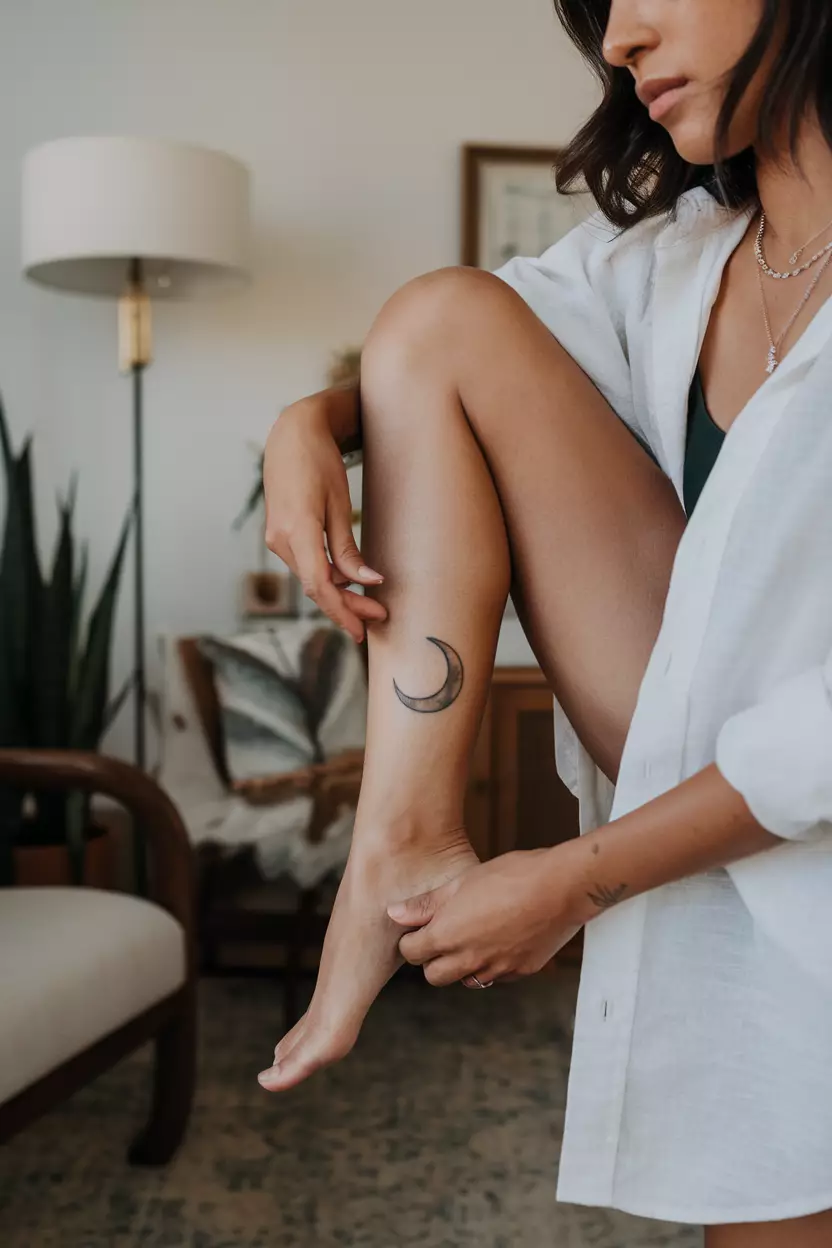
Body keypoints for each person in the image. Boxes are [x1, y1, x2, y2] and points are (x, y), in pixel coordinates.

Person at [257, 0, 832, 1242]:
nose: (619, 36)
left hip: (799, 819)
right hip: (708, 801)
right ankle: (398, 847)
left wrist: (573, 880)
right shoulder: (679, 252)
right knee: (435, 311)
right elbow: (446, 345)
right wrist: (313, 418)